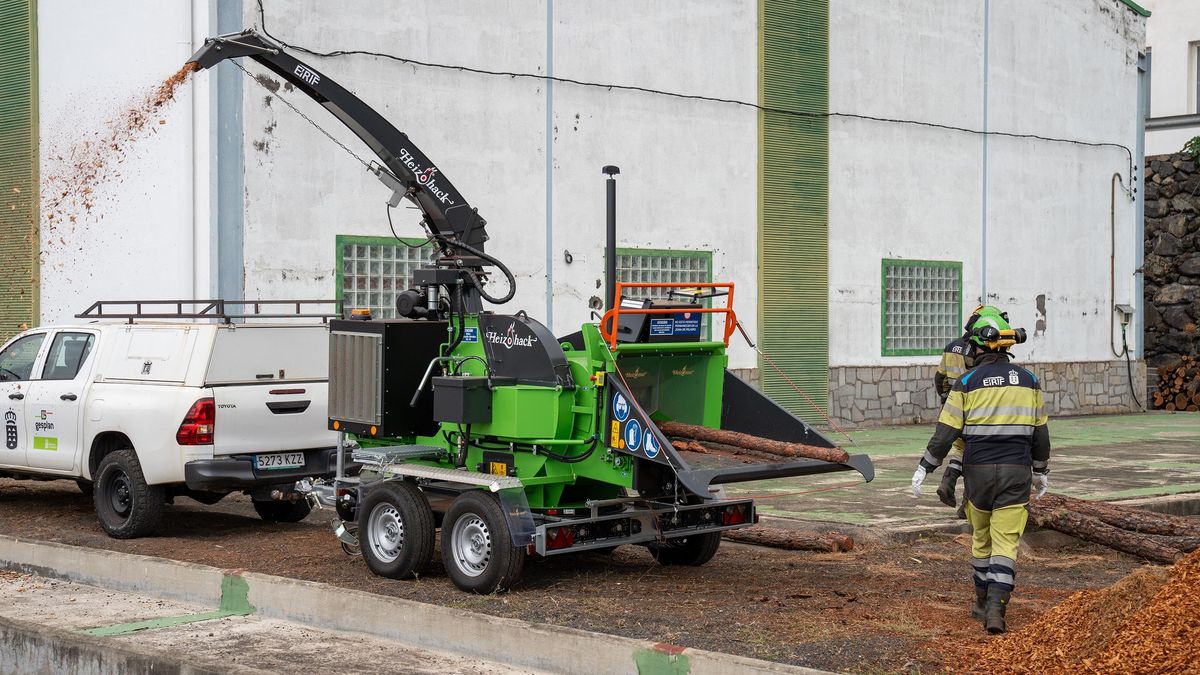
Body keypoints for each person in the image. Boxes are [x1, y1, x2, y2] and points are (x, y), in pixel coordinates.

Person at [910, 306, 1050, 634]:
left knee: (982, 540)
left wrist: (925, 467)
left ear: (982, 346)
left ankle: (980, 602)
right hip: (1017, 474)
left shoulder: (967, 382)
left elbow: (947, 432)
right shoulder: (1029, 381)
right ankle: (996, 612)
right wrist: (1041, 471)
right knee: (1006, 544)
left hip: (978, 475)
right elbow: (1040, 434)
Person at [932, 306, 985, 518]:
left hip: (953, 409)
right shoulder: (979, 349)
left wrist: (946, 400)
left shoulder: (951, 347)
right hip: (975, 409)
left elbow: (939, 378)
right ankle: (966, 505)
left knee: (960, 448)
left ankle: (949, 479)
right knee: (976, 458)